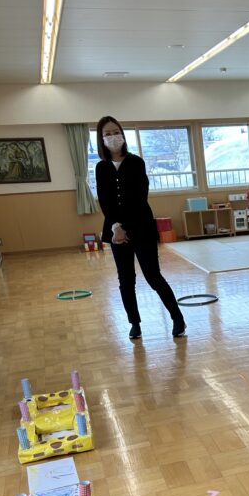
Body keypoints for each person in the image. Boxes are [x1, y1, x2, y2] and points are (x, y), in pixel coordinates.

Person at [95, 116, 186, 340]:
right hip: (116, 232)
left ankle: (177, 318)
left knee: (153, 276)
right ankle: (134, 323)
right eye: (107, 134)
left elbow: (139, 197)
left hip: (141, 227)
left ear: (122, 134)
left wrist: (125, 227)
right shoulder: (101, 167)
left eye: (116, 132)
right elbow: (105, 200)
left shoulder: (136, 162)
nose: (113, 137)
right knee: (126, 280)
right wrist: (116, 227)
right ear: (101, 139)